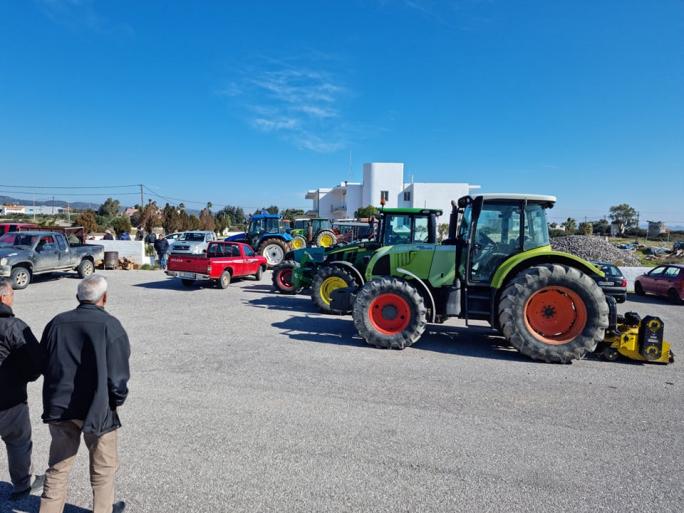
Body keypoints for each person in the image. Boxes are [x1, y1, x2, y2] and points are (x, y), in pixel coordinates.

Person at [40, 275, 130, 513]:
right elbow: (118, 378)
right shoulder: (111, 326)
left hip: (61, 408)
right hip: (98, 409)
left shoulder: (56, 323)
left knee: (58, 468)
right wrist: (115, 402)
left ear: (77, 297)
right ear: (105, 298)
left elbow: (43, 362)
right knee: (103, 470)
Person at [0, 279, 44, 501]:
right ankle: (23, 483)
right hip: (9, 399)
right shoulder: (14, 326)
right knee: (18, 441)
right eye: (11, 295)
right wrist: (24, 378)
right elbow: (36, 361)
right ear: (3, 298)